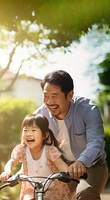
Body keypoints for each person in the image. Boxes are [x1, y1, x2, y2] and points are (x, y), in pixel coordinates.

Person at [34, 70, 108, 200]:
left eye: (54, 95)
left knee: (86, 194)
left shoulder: (88, 109)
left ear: (70, 95)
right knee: (43, 195)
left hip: (92, 165)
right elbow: (31, 144)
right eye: (45, 95)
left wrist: (81, 162)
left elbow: (96, 142)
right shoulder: (40, 116)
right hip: (61, 167)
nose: (49, 101)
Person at [0, 113, 77, 200]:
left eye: (33, 130)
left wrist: (69, 173)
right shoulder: (22, 150)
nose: (28, 134)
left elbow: (62, 166)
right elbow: (11, 161)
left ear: (45, 135)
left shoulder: (50, 151)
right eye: (25, 130)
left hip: (53, 192)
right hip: (30, 191)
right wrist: (7, 172)